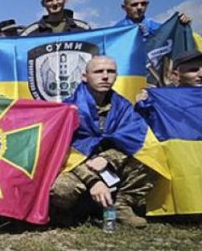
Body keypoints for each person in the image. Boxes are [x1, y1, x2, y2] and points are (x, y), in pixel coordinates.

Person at [50, 56, 160, 228]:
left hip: (110, 166)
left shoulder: (124, 108)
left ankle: (121, 205)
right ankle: (69, 212)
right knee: (62, 189)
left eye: (111, 71)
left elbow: (137, 141)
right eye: (98, 71)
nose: (105, 76)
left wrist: (108, 159)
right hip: (79, 167)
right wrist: (93, 180)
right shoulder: (68, 109)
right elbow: (61, 154)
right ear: (84, 76)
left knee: (152, 158)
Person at [116, 0, 191, 39]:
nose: (139, 7)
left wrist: (183, 26)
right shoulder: (117, 31)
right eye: (134, 4)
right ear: (124, 7)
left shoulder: (157, 27)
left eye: (143, 3)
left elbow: (175, 37)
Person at [20, 0, 91, 36]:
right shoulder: (29, 33)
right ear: (43, 3)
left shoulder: (83, 28)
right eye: (49, 0)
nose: (55, 3)